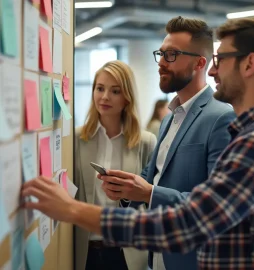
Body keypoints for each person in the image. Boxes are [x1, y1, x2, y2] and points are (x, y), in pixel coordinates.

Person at [101, 17, 235, 270]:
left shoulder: (221, 117)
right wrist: (126, 189)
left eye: (171, 55)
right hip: (158, 254)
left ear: (200, 63)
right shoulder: (169, 119)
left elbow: (217, 204)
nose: (161, 63)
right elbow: (154, 176)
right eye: (160, 54)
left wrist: (148, 193)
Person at [74, 60, 156, 270]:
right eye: (100, 88)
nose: (105, 97)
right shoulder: (76, 139)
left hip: (127, 252)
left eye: (115, 91)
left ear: (127, 97)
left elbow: (150, 200)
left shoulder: (145, 142)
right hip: (84, 251)